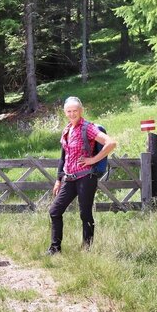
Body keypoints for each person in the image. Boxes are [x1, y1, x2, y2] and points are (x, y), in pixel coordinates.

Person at [47, 96, 117, 254]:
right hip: (69, 178)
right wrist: (58, 179)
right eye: (69, 111)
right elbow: (63, 157)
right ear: (65, 112)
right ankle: (55, 249)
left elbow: (111, 143)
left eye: (75, 111)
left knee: (85, 214)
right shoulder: (67, 129)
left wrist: (93, 159)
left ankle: (86, 249)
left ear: (81, 111)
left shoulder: (88, 128)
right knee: (54, 211)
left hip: (86, 177)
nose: (72, 114)